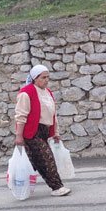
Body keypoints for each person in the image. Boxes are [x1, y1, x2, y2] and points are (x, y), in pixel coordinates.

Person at [14, 64, 71, 196]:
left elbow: (53, 114)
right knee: (47, 158)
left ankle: (22, 185)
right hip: (32, 132)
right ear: (35, 78)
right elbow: (21, 116)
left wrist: (55, 132)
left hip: (44, 130)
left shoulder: (48, 93)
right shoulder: (26, 93)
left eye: (48, 77)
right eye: (43, 77)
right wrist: (19, 136)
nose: (46, 80)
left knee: (37, 161)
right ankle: (57, 187)